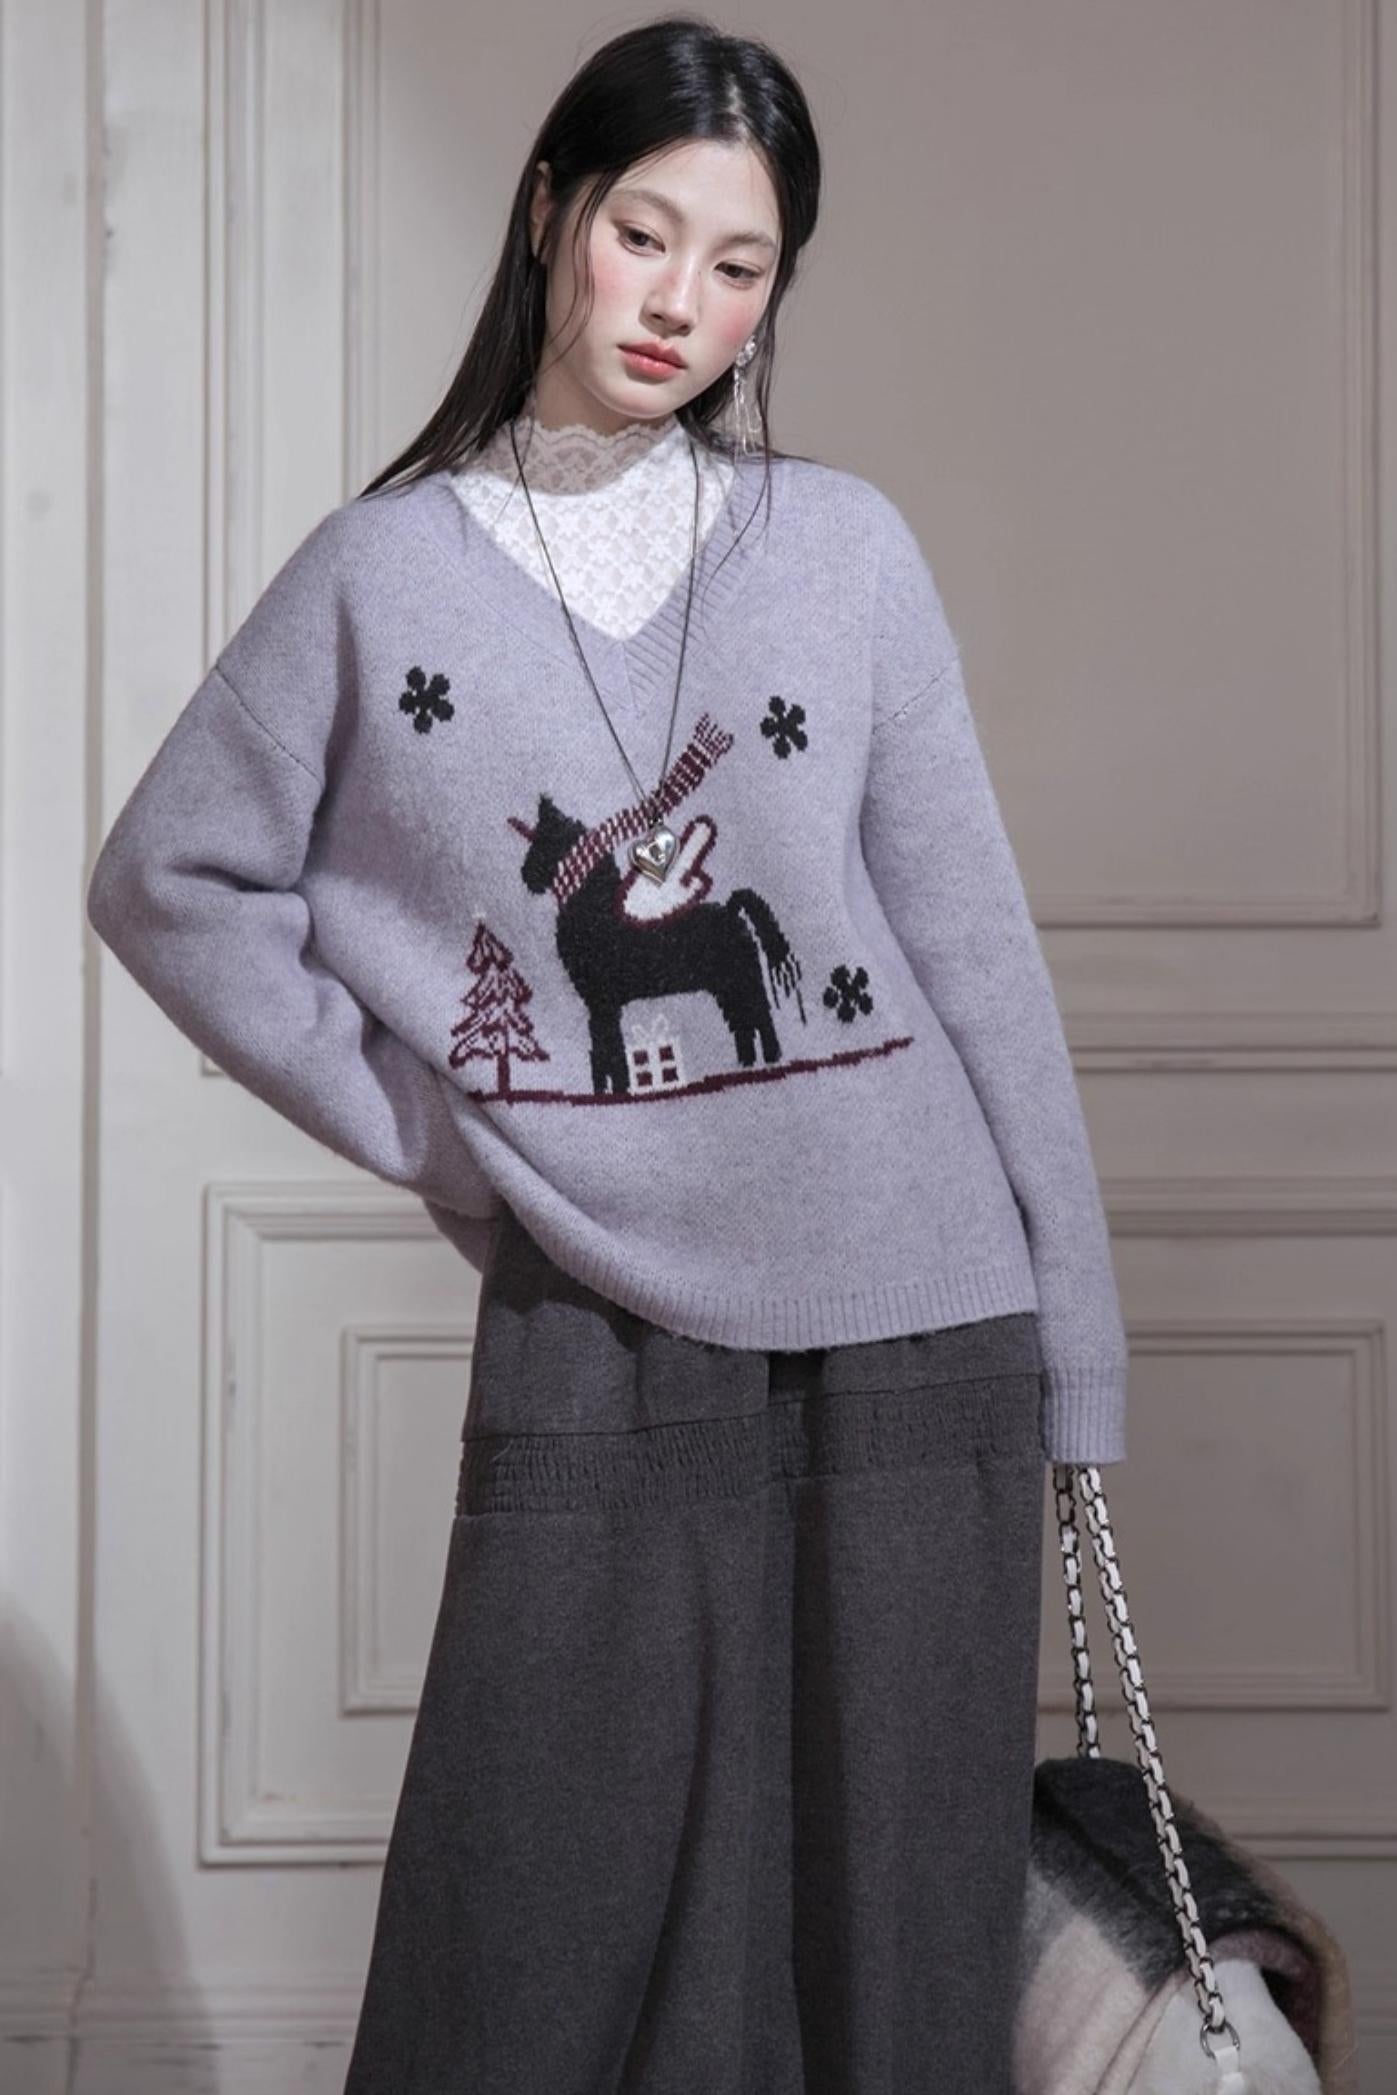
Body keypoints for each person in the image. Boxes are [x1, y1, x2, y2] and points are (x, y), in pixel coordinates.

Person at [85, 13, 1129, 2089]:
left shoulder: (840, 548)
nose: (678, 303)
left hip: (919, 1316)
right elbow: (168, 879)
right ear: (551, 211)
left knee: (890, 1941)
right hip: (598, 1317)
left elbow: (973, 950)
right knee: (532, 1922)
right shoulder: (382, 577)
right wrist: (448, 1129)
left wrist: (1080, 1347)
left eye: (738, 266)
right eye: (645, 234)